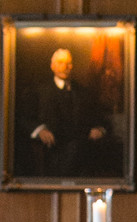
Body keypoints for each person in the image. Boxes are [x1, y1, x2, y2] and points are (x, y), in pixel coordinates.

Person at [19, 46, 108, 180]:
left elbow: (99, 118)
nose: (65, 67)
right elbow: (25, 118)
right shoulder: (39, 90)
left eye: (68, 63)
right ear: (52, 66)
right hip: (51, 149)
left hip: (82, 148)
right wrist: (40, 130)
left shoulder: (83, 92)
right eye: (60, 63)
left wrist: (99, 129)